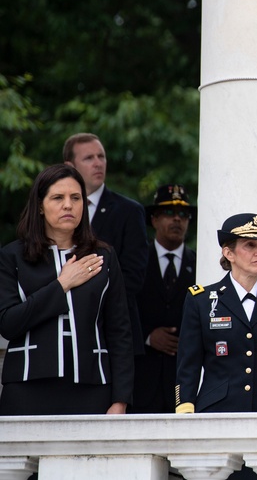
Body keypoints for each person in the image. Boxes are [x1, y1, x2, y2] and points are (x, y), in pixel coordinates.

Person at [0, 163, 133, 415]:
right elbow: (8, 322)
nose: (68, 205)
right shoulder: (12, 256)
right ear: (40, 205)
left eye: (75, 198)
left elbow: (120, 332)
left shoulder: (103, 256)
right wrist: (62, 285)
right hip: (28, 387)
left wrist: (121, 399)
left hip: (93, 387)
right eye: (57, 198)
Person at [175, 213, 257, 413]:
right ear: (229, 253)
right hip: (216, 410)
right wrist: (185, 407)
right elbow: (188, 364)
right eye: (250, 245)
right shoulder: (201, 301)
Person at [63, 133, 149, 356]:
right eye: (89, 158)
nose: (98, 163)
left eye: (101, 156)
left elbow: (134, 276)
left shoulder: (129, 211)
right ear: (70, 166)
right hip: (64, 330)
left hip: (114, 333)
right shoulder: (56, 210)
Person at [132, 184, 198, 413]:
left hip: (183, 387)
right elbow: (120, 312)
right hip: (141, 383)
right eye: (169, 213)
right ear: (154, 219)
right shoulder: (135, 263)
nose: (177, 219)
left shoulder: (199, 264)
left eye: (183, 214)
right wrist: (148, 337)